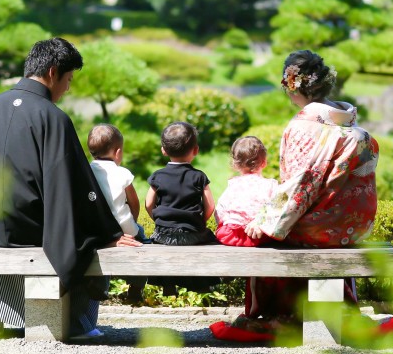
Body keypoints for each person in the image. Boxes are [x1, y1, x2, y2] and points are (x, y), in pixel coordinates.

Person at [211, 49, 393, 342]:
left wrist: (265, 221)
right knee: (289, 228)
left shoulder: (302, 127)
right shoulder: (349, 122)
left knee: (267, 236)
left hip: (316, 226)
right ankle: (344, 313)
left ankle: (278, 317)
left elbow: (300, 186)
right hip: (350, 225)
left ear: (292, 87)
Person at [0, 38, 140, 339]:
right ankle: (78, 324)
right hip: (28, 231)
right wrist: (109, 232)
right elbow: (74, 185)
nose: (67, 88)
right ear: (53, 73)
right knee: (82, 236)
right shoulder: (53, 117)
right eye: (68, 80)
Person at [145, 121, 217, 295]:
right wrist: (199, 221)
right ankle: (201, 284)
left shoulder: (158, 176)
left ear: (164, 150)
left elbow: (148, 203)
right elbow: (210, 206)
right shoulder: (199, 176)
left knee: (161, 246)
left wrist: (159, 219)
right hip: (192, 232)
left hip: (163, 233)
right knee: (209, 241)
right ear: (196, 150)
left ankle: (168, 283)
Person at [87, 124, 149, 243]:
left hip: (98, 231)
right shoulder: (122, 173)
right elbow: (135, 204)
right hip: (125, 231)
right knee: (140, 231)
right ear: (118, 152)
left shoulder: (86, 172)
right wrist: (133, 223)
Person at [214, 136, 278, 247]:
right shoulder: (270, 185)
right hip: (257, 236)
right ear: (264, 162)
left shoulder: (233, 184)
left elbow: (220, 209)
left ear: (235, 164)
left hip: (230, 235)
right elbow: (276, 208)